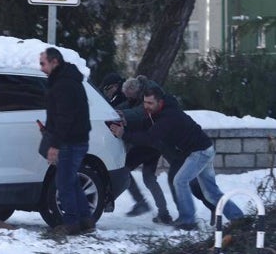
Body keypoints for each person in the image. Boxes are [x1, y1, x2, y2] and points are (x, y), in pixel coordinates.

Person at [110, 86, 244, 230]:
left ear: (159, 102)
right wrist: (127, 124)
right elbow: (146, 125)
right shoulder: (158, 111)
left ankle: (188, 221)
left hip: (199, 152)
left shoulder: (169, 116)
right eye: (145, 102)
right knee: (211, 192)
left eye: (150, 103)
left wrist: (124, 134)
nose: (146, 106)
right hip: (203, 149)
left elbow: (150, 137)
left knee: (180, 181)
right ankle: (238, 218)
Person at [39, 47, 93, 235]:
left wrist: (55, 145)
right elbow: (60, 115)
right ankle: (86, 220)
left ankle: (71, 224)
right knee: (71, 181)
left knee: (63, 183)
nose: (41, 68)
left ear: (55, 62)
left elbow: (65, 117)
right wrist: (49, 131)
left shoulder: (63, 84)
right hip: (75, 139)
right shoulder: (65, 81)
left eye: (43, 63)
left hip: (70, 142)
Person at [118, 76, 172, 224]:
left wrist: (120, 114)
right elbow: (129, 106)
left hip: (146, 143)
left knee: (124, 169)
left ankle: (141, 202)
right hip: (153, 144)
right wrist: (113, 110)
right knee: (148, 177)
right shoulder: (141, 93)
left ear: (135, 92)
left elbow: (139, 112)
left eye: (130, 96)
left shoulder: (148, 97)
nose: (128, 99)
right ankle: (164, 213)